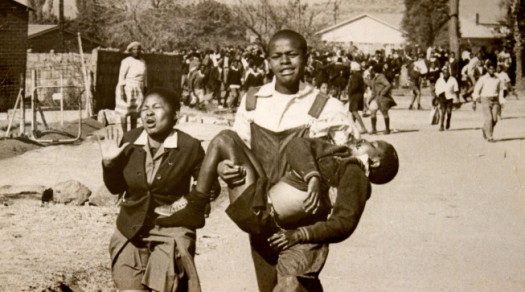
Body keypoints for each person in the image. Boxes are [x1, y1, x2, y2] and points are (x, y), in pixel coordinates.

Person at [154, 130, 399, 291]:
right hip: (264, 194)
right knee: (227, 137)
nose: (364, 139)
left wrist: (301, 234)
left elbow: (344, 222)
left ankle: (196, 207)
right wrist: (312, 174)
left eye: (372, 144)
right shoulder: (340, 154)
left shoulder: (356, 174)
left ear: (374, 162)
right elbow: (297, 145)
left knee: (222, 141)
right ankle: (197, 204)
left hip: (261, 212)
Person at [216, 29, 356, 291]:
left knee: (293, 284)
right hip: (261, 212)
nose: (285, 62)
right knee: (271, 286)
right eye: (277, 56)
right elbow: (237, 150)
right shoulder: (252, 101)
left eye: (292, 55)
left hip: (307, 215)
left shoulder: (327, 106)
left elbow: (346, 161)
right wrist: (225, 168)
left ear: (306, 58)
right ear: (268, 61)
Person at [99, 88, 213, 292]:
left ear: (175, 115)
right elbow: (115, 187)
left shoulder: (190, 146)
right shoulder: (129, 141)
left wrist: (192, 199)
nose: (149, 113)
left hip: (173, 228)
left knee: (166, 286)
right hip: (131, 228)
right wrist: (108, 164)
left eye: (157, 107)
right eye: (145, 109)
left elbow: (209, 188)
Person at [115, 41, 148, 132]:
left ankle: (133, 133)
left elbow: (145, 77)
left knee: (135, 113)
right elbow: (121, 76)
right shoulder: (126, 61)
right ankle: (125, 134)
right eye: (134, 49)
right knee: (125, 112)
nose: (137, 51)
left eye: (138, 49)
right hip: (127, 88)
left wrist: (145, 88)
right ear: (130, 51)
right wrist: (122, 91)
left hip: (139, 88)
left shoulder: (143, 62)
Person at [473, 63, 503, 142]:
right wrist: (476, 98)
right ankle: (490, 137)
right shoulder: (483, 78)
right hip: (485, 99)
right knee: (489, 118)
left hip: (495, 99)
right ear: (487, 69)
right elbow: (477, 89)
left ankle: (485, 129)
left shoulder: (498, 79)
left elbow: (500, 90)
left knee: (494, 119)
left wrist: (501, 101)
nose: (492, 70)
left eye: (493, 69)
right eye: (490, 69)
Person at [368, 64, 396, 135]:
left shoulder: (381, 77)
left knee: (384, 112)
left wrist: (383, 92)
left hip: (382, 98)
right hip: (377, 98)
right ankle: (374, 129)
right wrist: (371, 98)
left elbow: (388, 85)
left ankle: (387, 129)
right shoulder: (376, 77)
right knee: (373, 110)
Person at [347, 62, 368, 134]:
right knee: (354, 112)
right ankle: (352, 127)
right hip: (359, 95)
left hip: (355, 95)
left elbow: (354, 86)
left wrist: (349, 91)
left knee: (354, 111)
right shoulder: (359, 75)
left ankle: (363, 127)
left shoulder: (355, 76)